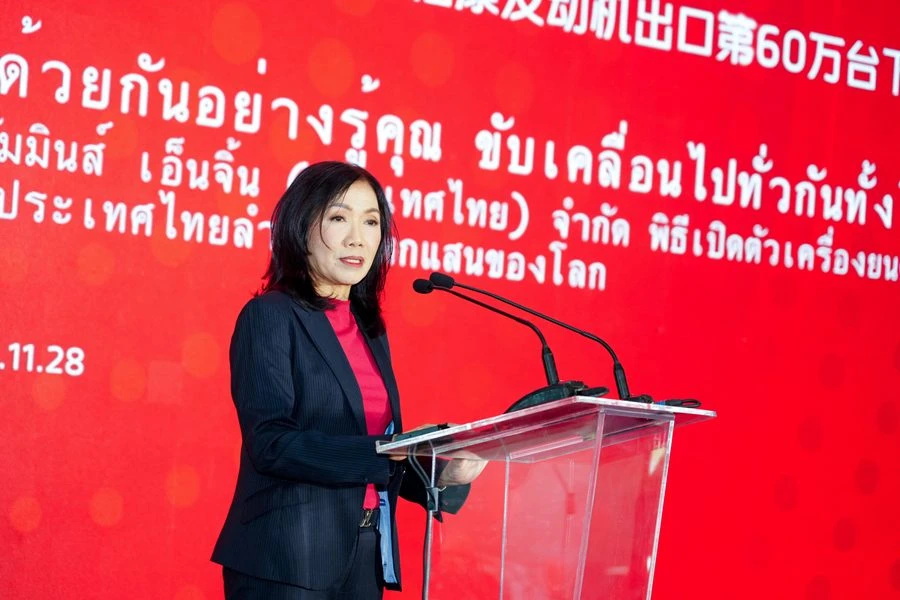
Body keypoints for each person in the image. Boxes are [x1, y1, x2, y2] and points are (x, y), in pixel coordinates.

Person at [211, 161, 483, 599]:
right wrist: (390, 451)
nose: (358, 237)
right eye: (339, 218)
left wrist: (442, 474)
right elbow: (272, 444)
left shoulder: (369, 330)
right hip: (287, 560)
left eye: (371, 222)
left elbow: (369, 452)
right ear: (301, 227)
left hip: (365, 556)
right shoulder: (270, 316)